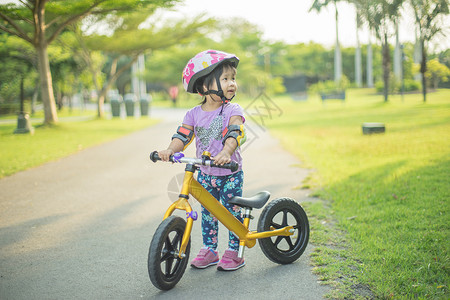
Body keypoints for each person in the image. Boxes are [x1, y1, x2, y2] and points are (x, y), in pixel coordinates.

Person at [158, 50, 247, 271]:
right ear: (203, 86)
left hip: (230, 173)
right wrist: (170, 150)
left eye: (233, 78)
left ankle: (235, 252)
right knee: (208, 214)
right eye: (225, 78)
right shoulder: (193, 114)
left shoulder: (232, 109)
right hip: (206, 173)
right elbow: (183, 136)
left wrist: (227, 151)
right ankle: (210, 250)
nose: (232, 83)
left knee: (230, 212)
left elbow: (235, 132)